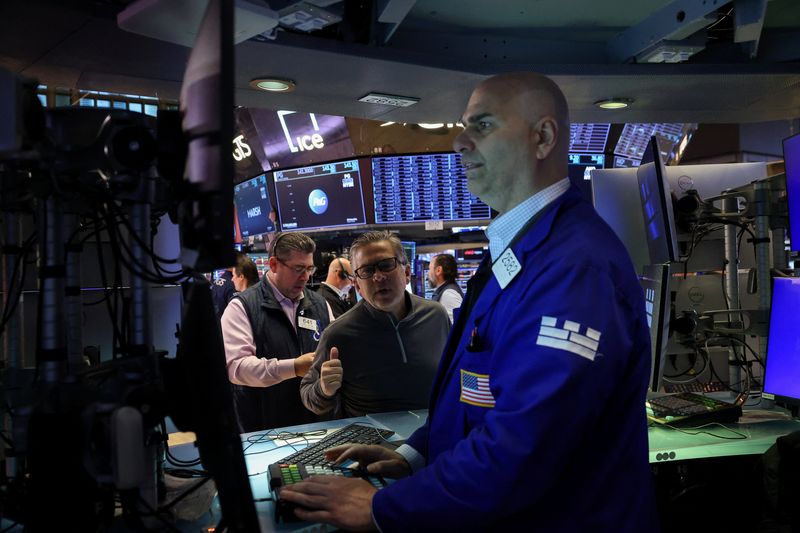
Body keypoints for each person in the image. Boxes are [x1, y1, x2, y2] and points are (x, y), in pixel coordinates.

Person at [280, 72, 657, 531]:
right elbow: (478, 394)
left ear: (543, 137)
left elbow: (526, 444)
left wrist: (381, 508)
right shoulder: (522, 249)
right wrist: (414, 455)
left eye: (482, 125)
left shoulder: (575, 267)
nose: (459, 141)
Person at [300, 231, 450, 418]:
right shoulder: (338, 334)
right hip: (372, 443)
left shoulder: (436, 316)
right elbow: (308, 392)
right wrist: (324, 389)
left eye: (386, 265)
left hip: (434, 439)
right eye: (367, 271)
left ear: (407, 272)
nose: (377, 277)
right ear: (357, 286)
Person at [220, 232, 334, 433]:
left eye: (309, 268)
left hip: (316, 425)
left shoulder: (320, 305)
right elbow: (236, 368)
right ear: (273, 264)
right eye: (298, 269)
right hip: (264, 430)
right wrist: (293, 367)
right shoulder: (242, 307)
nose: (306, 277)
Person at [427, 253, 464, 323]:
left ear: (438, 270)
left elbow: (457, 328)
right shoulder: (447, 291)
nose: (428, 273)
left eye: (429, 269)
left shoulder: (449, 294)